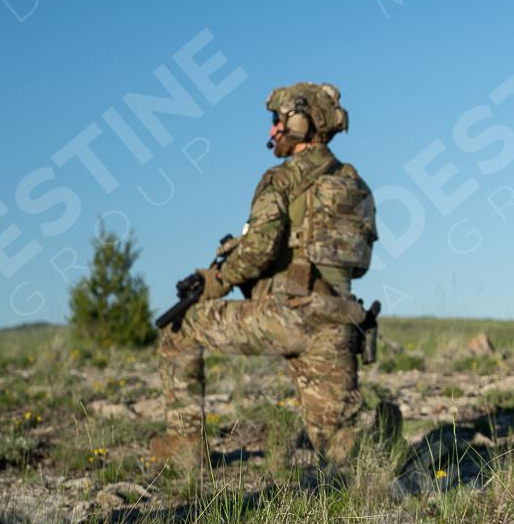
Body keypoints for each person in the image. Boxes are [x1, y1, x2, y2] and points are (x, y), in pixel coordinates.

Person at [152, 82, 383, 468]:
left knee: (179, 329)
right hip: (339, 321)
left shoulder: (281, 178)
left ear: (300, 123)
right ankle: (379, 439)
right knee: (337, 443)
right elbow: (359, 266)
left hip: (288, 316)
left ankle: (184, 448)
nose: (273, 129)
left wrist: (217, 281)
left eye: (278, 120)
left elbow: (259, 249)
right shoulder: (356, 185)